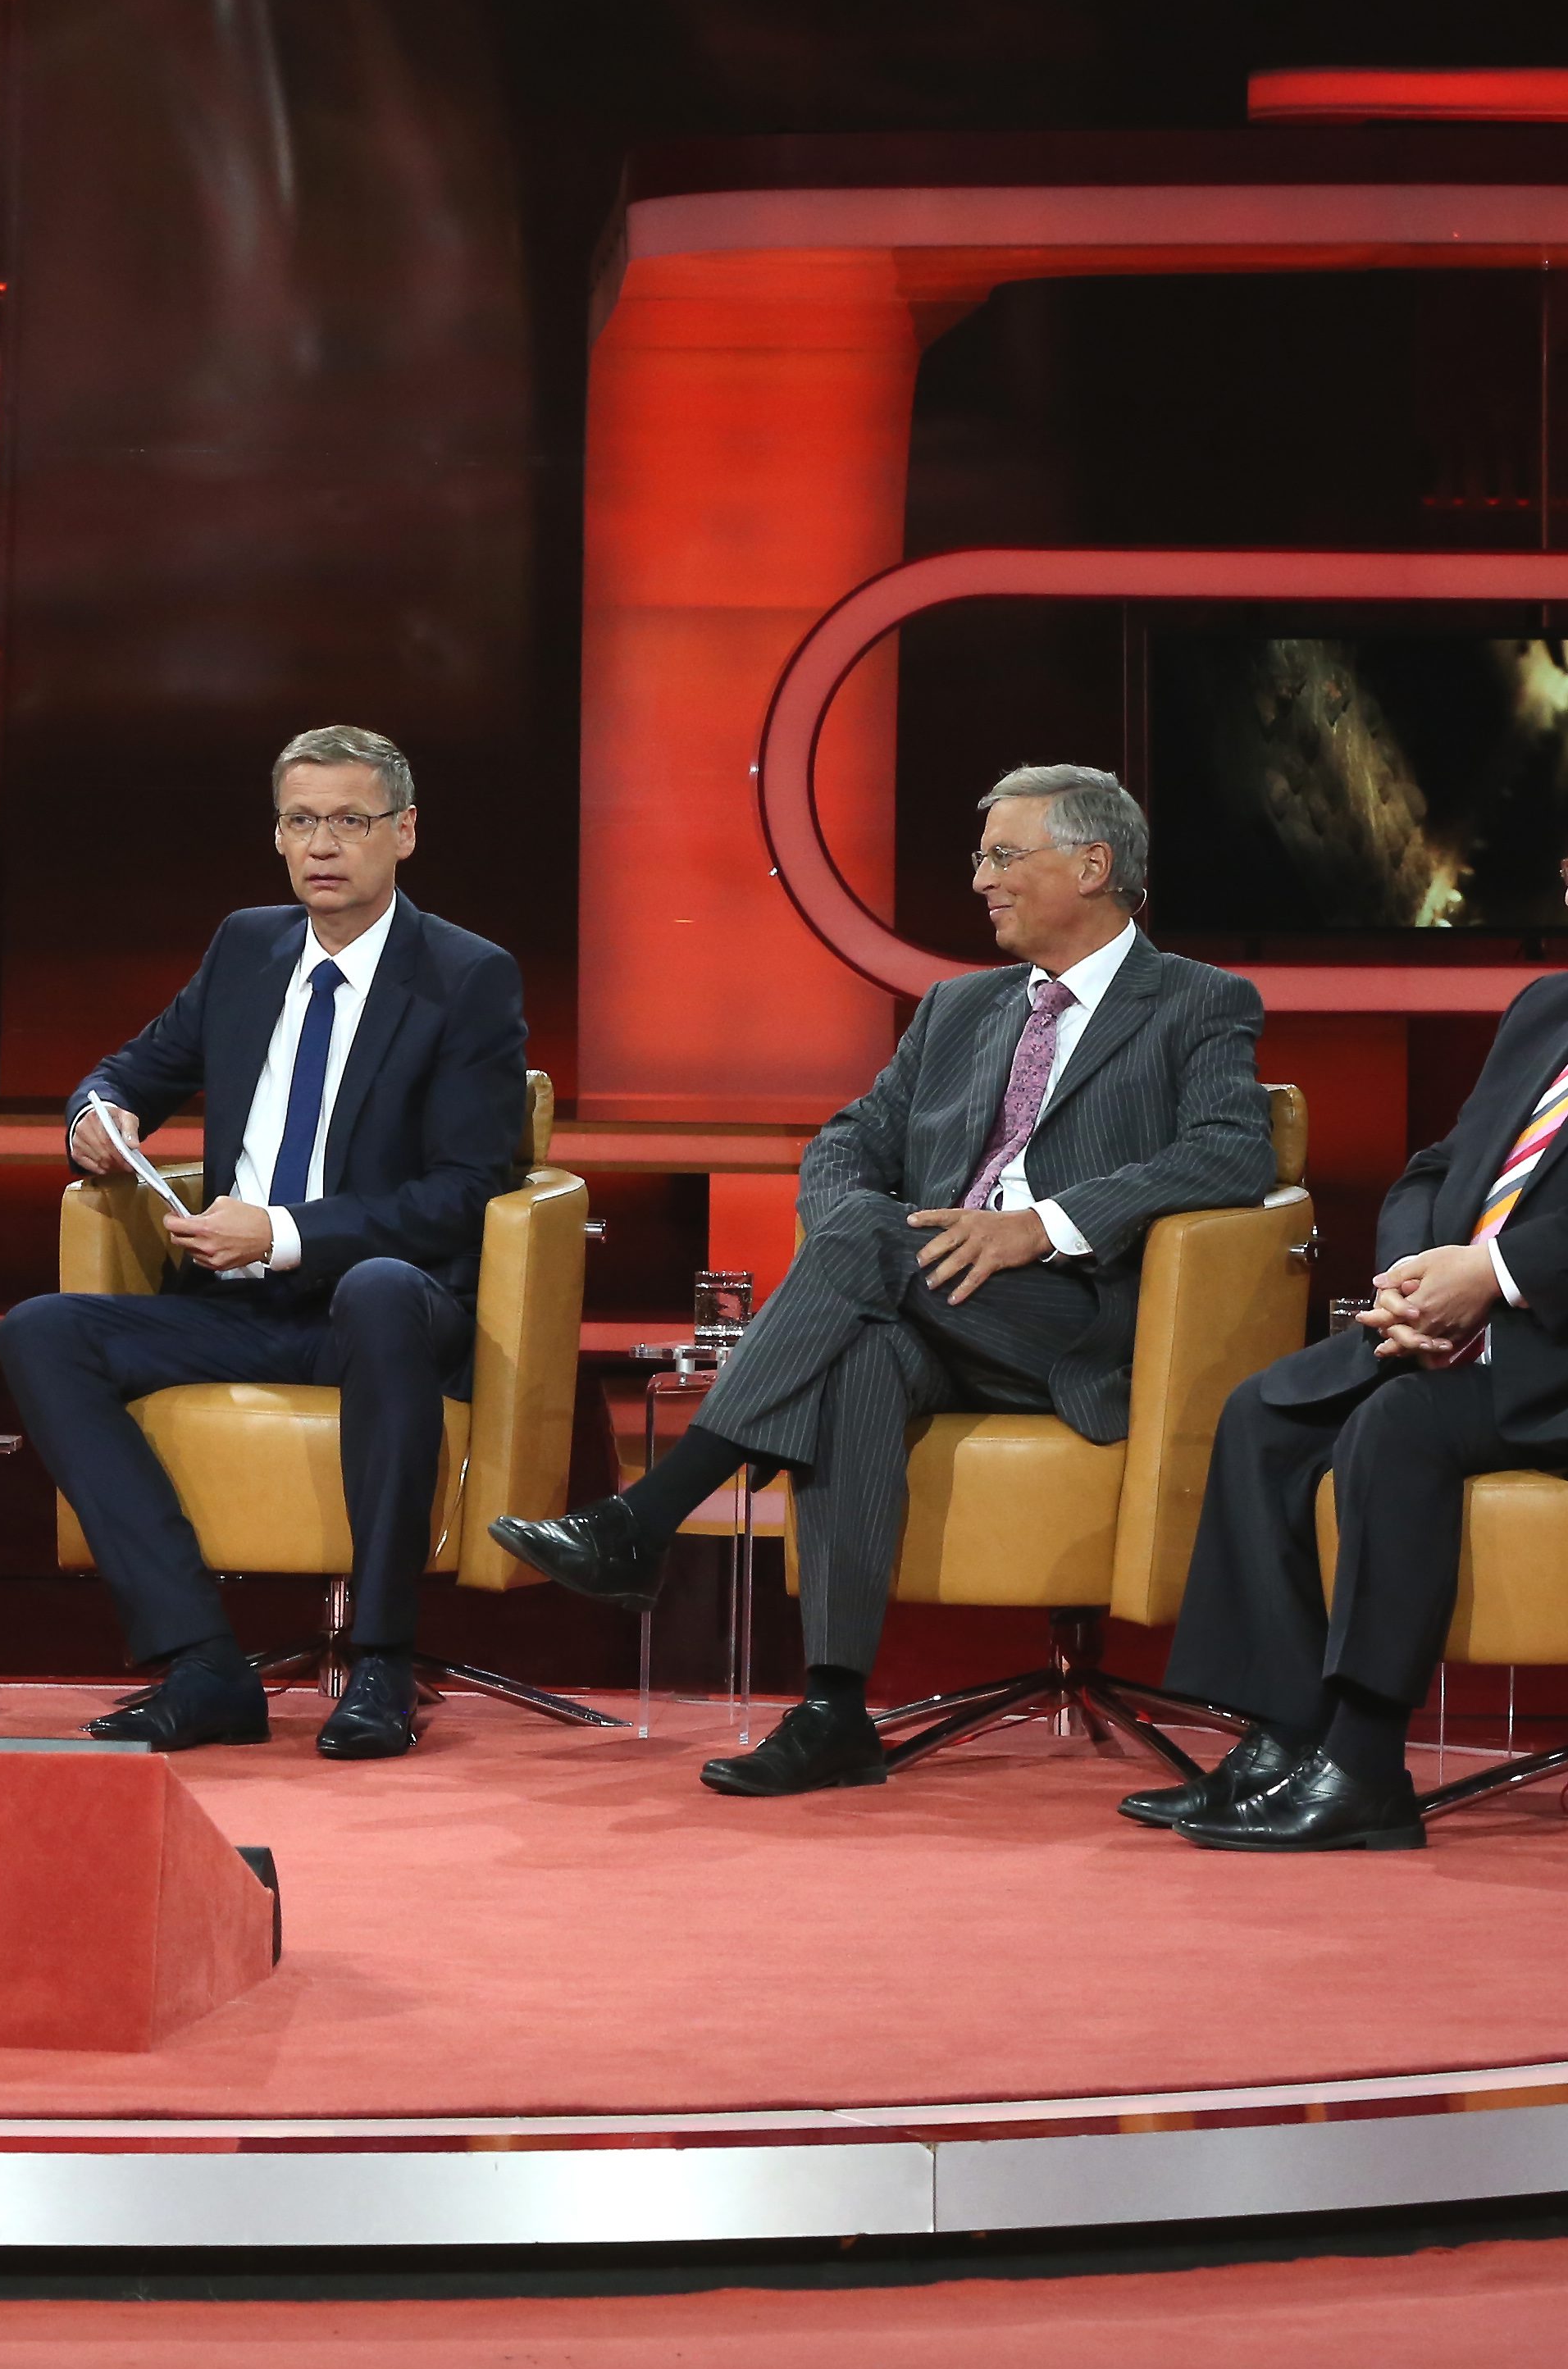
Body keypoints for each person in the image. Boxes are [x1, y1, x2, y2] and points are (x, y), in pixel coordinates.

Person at [491, 764, 1277, 1799]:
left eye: (1003, 855)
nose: (979, 880)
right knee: (861, 1351)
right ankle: (833, 1710)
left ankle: (648, 1518)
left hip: (1073, 1320)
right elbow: (845, 1143)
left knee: (866, 1248)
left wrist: (1039, 1226)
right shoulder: (958, 1007)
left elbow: (1232, 1153)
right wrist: (856, 1241)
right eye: (980, 857)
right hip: (924, 1296)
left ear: (1093, 866)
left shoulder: (1196, 1001)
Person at [1142, 758, 1568, 1852]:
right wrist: (1416, 1275)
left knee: (1396, 1426)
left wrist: (1498, 1274)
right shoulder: (1553, 1007)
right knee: (1263, 1415)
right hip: (1469, 1326)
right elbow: (1442, 1164)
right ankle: (1281, 1741)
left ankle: (1363, 1766)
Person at [2, 724, 533, 1763]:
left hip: (381, 1311)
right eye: (300, 821)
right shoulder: (246, 947)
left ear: (404, 832)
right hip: (234, 1307)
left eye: (350, 820)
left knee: (379, 1288)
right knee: (41, 1332)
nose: (322, 845)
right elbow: (127, 1072)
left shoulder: (465, 975)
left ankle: (381, 1660)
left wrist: (285, 1231)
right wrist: (94, 1117)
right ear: (278, 835)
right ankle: (203, 1663)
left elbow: (464, 1191)